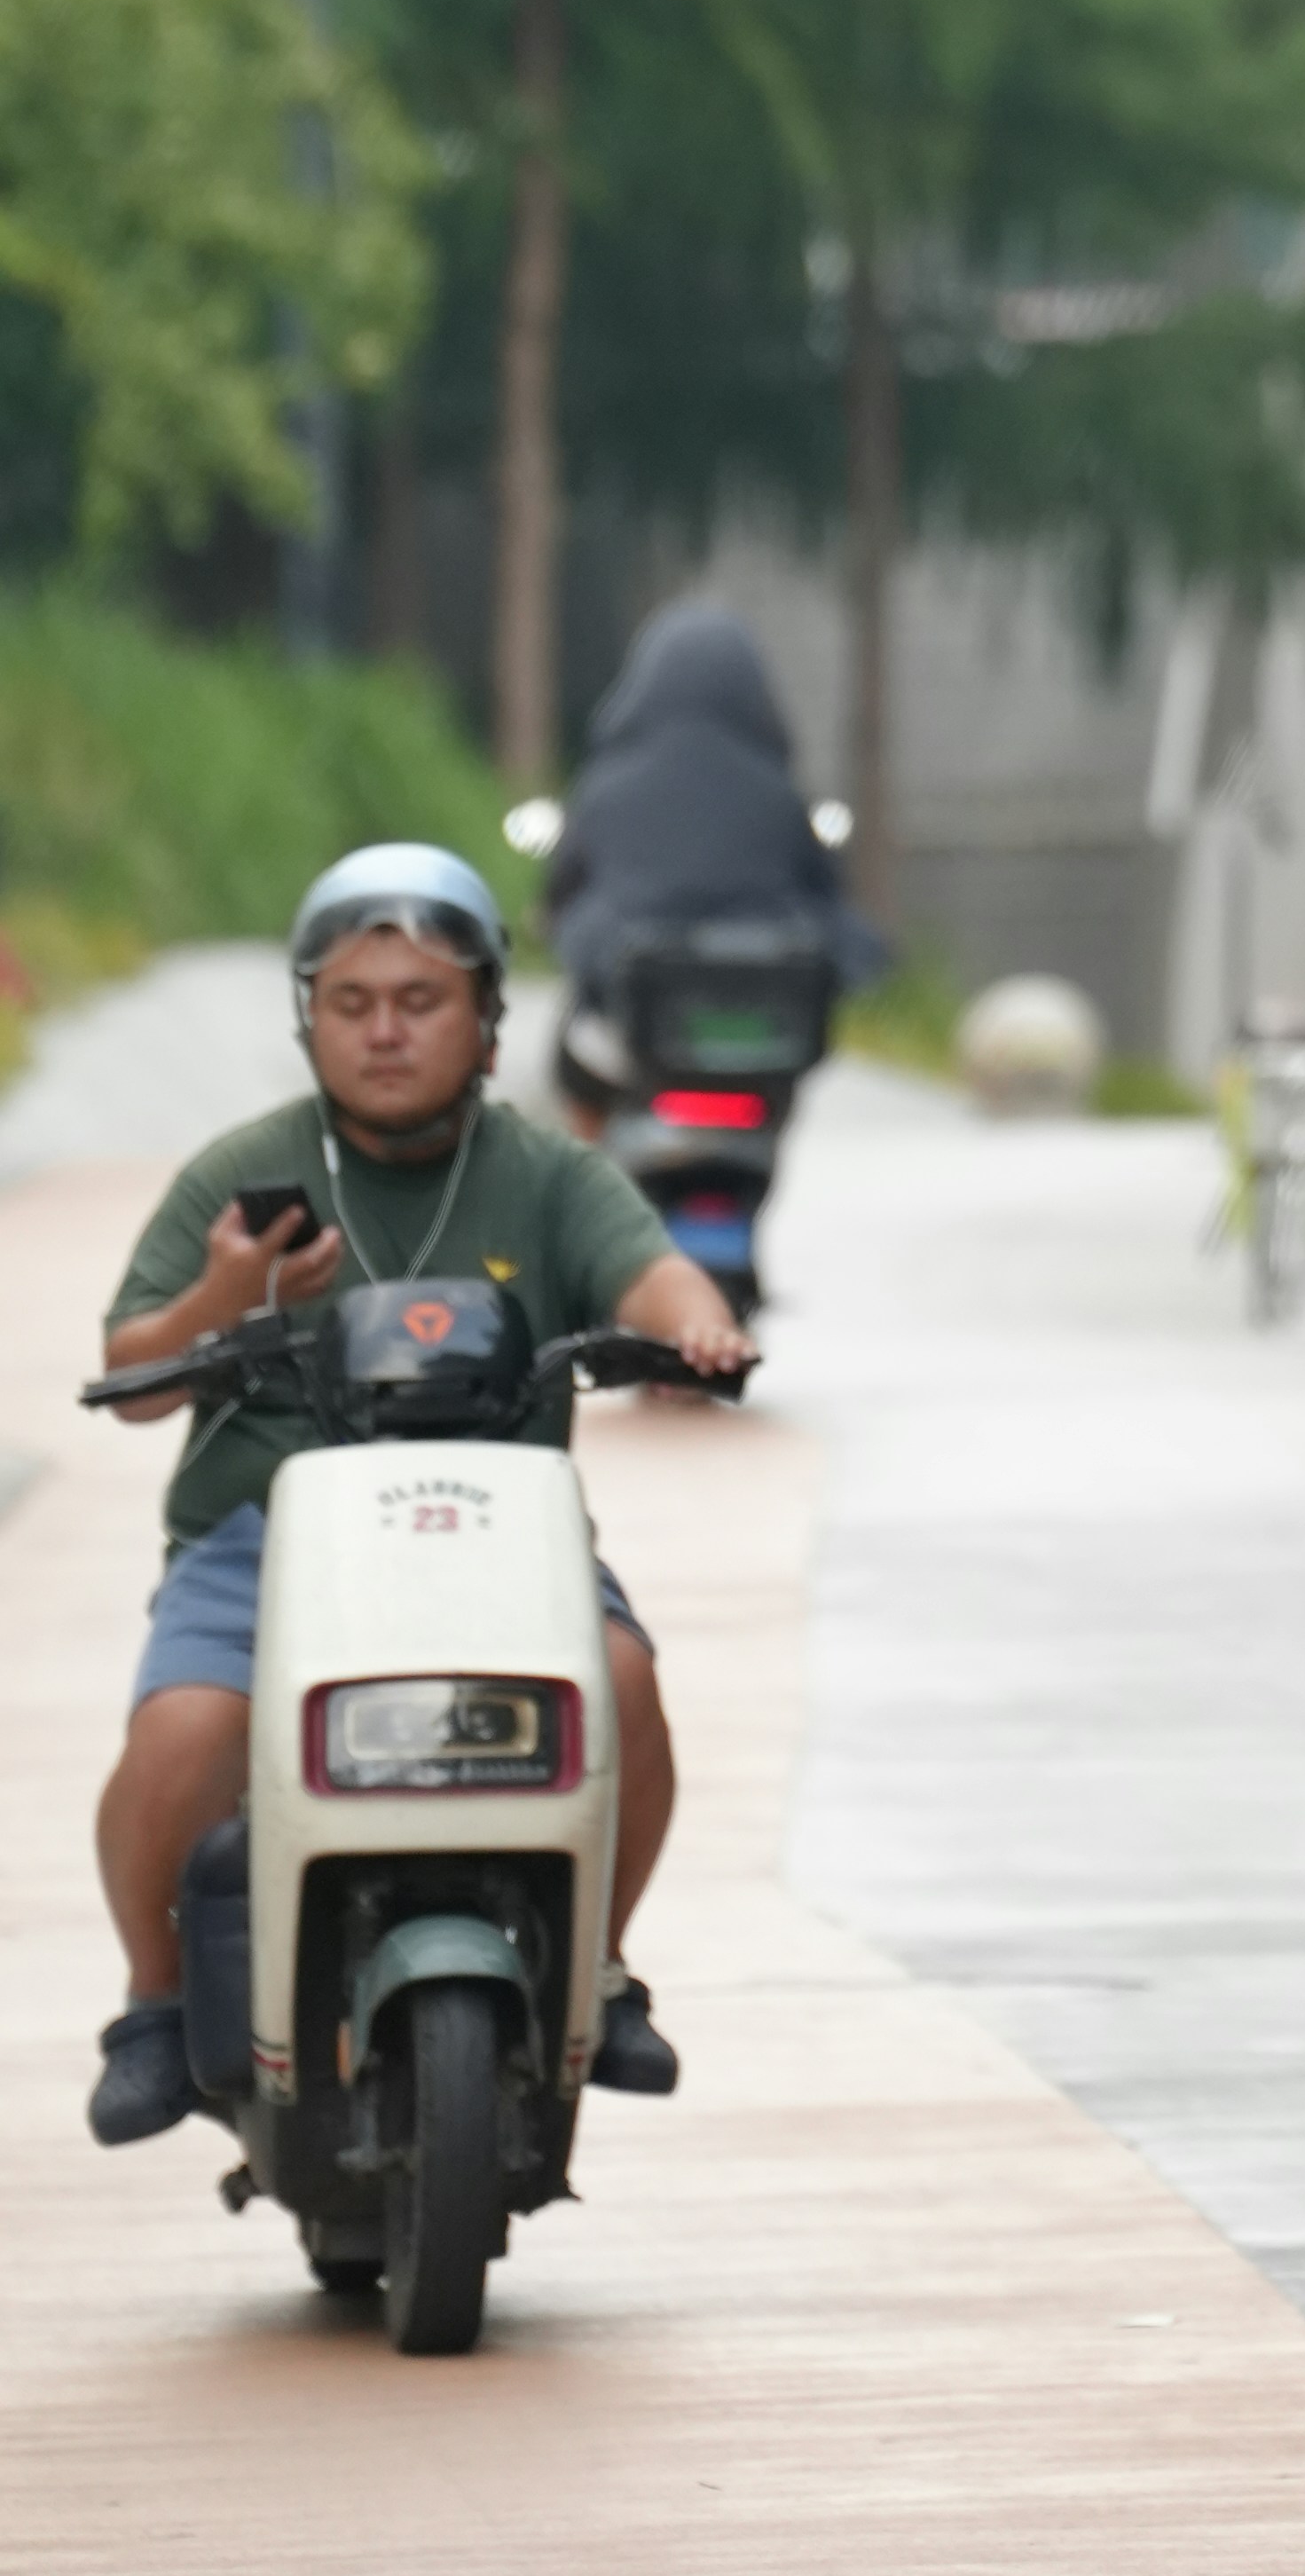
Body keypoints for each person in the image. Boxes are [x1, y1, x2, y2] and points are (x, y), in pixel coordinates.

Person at [84, 840, 748, 2152]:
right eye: (351, 1003)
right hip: (268, 1541)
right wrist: (231, 1297)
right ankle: (155, 2007)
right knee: (179, 1737)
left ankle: (600, 1973)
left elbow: (652, 1276)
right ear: (309, 1021)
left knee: (620, 1680)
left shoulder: (549, 1174)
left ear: (489, 1022)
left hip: (496, 1531)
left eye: (421, 1000)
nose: (385, 1032)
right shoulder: (246, 1175)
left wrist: (703, 1328)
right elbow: (133, 1372)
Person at [545, 596, 861, 1110]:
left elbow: (566, 885)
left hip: (632, 1036)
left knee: (575, 1057)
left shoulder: (607, 788)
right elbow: (825, 891)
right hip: (760, 1050)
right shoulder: (777, 793)